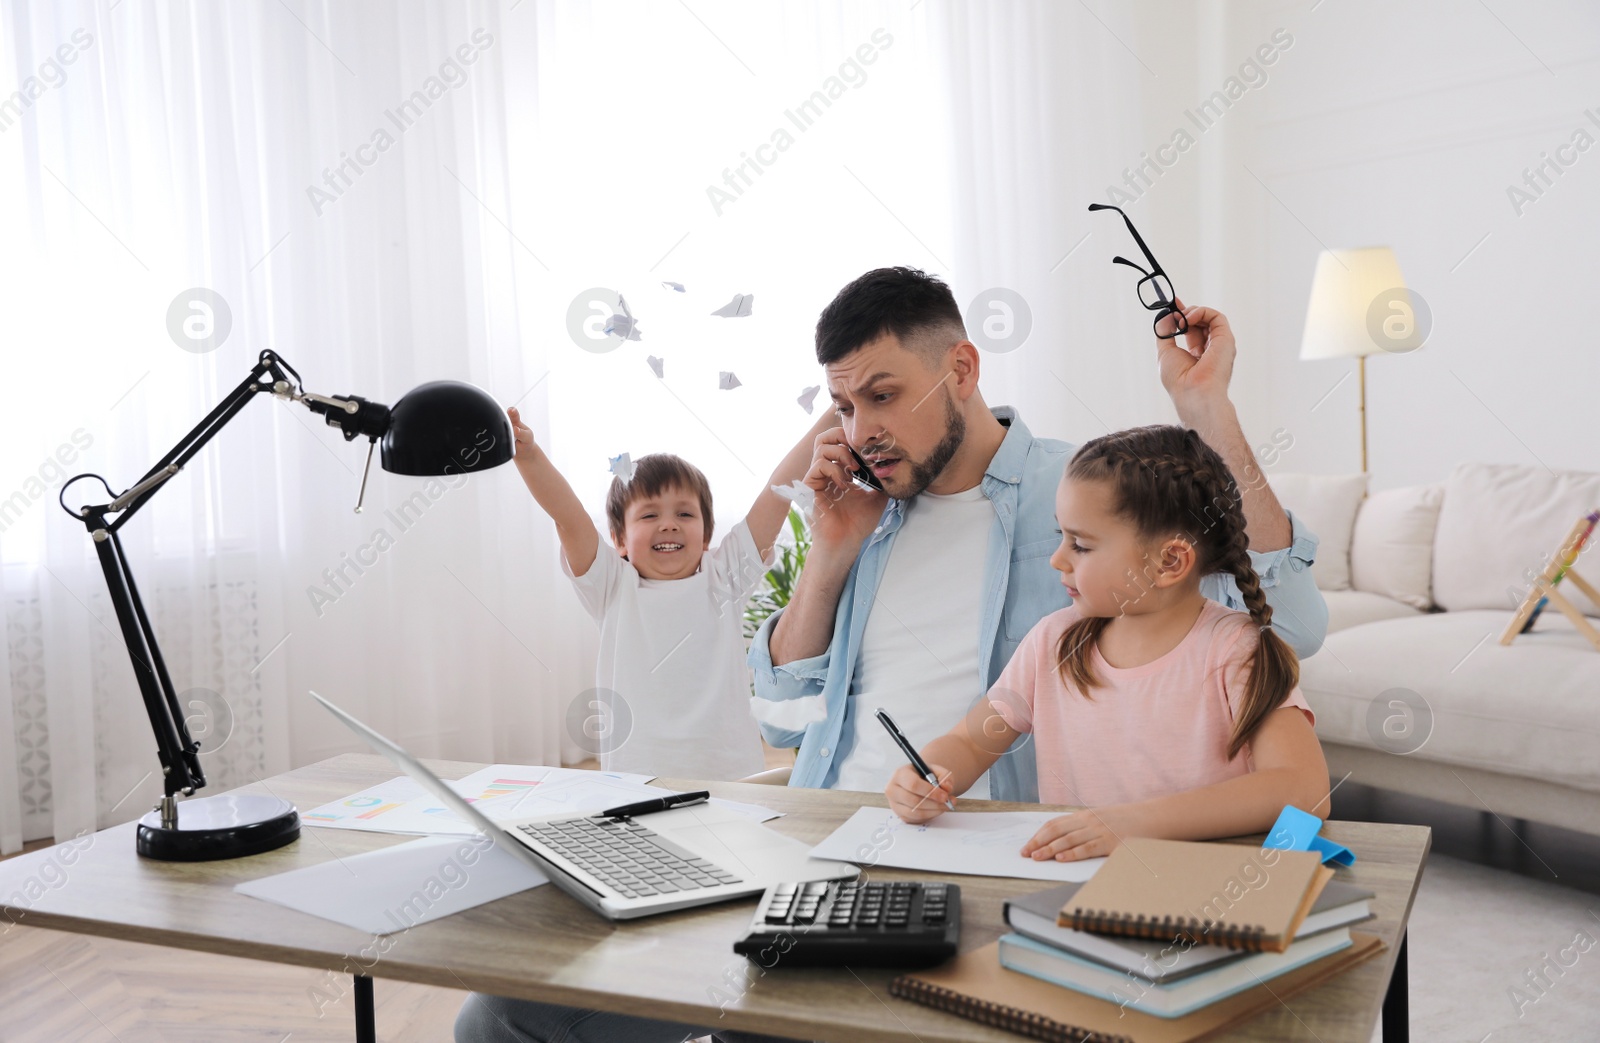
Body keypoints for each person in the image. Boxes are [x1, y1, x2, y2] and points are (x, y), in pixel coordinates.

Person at [748, 266, 1327, 803]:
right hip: (828, 826)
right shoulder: (858, 510)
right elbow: (783, 722)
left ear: (962, 369)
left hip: (994, 847)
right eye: (844, 407)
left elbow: (1291, 626)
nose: (862, 430)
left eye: (882, 396)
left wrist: (1207, 407)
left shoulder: (1083, 493)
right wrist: (830, 551)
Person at [884, 424, 1328, 859]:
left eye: (1080, 545)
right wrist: (927, 774)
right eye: (1062, 535)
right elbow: (972, 742)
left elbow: (1302, 789)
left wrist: (1131, 824)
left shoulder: (1234, 650)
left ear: (1169, 561)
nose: (1057, 559)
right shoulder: (1052, 643)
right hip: (1072, 882)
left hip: (1200, 891)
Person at [506, 405, 830, 781]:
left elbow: (779, 490)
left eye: (685, 515)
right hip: (637, 778)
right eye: (649, 516)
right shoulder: (611, 585)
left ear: (707, 534)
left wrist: (836, 411)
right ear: (619, 539)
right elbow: (567, 516)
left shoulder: (725, 577)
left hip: (730, 774)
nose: (669, 526)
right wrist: (529, 456)